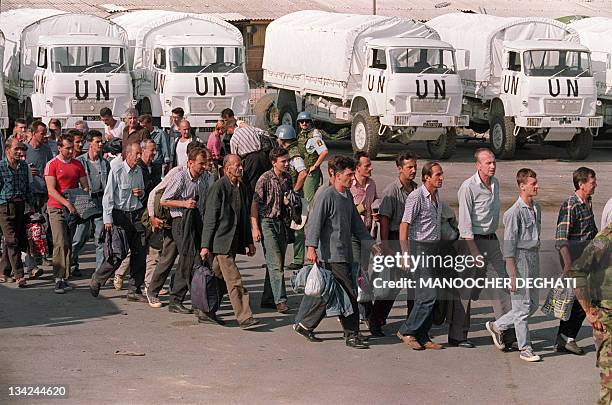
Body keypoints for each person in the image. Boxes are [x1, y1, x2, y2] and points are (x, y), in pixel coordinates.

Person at [296, 156, 372, 349]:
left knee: (330, 293)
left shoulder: (346, 197)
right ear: (337, 176)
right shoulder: (326, 195)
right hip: (330, 255)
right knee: (348, 292)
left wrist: (371, 244)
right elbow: (315, 223)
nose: (352, 178)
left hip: (345, 253)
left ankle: (305, 325)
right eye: (348, 175)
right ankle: (352, 334)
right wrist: (311, 248)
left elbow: (357, 224)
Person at [457, 148, 513, 349]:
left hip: (492, 240)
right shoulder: (468, 187)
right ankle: (458, 335)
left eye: (494, 162)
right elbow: (464, 225)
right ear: (478, 165)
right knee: (466, 289)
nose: (492, 166)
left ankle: (505, 332)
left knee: (501, 286)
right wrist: (474, 252)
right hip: (472, 242)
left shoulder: (495, 183)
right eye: (488, 163)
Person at [485, 168, 542, 362]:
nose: (537, 186)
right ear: (522, 186)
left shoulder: (537, 208)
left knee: (532, 304)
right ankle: (525, 348)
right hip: (519, 260)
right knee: (522, 306)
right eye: (533, 184)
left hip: (533, 258)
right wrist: (513, 275)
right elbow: (508, 248)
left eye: (536, 183)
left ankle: (498, 325)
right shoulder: (513, 213)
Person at [200, 154, 260, 329]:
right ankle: (245, 317)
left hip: (233, 242)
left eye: (241, 165)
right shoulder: (218, 188)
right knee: (234, 280)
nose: (240, 168)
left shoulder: (241, 187)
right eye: (237, 165)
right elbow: (210, 218)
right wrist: (205, 245)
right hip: (221, 242)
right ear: (227, 169)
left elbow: (243, 217)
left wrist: (249, 242)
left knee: (219, 280)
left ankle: (205, 310)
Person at [89, 142, 147, 302]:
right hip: (119, 215)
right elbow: (108, 196)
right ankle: (98, 279)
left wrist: (140, 193)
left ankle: (135, 289)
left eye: (140, 153)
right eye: (137, 154)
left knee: (140, 252)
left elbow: (141, 192)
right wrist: (108, 219)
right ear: (128, 154)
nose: (139, 157)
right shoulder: (117, 169)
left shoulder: (139, 171)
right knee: (118, 254)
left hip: (135, 214)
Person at [368, 152, 418, 336]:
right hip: (395, 240)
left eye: (414, 166)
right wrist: (386, 245)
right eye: (409, 167)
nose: (413, 170)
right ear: (400, 169)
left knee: (414, 284)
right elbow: (385, 220)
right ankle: (376, 320)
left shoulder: (415, 189)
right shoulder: (392, 191)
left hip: (412, 241)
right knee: (391, 285)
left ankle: (413, 323)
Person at [396, 162, 445, 351]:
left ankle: (423, 335)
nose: (441, 178)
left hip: (433, 250)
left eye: (441, 174)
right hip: (419, 249)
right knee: (428, 295)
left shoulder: (436, 196)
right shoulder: (416, 197)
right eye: (437, 175)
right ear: (426, 177)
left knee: (425, 296)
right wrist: (405, 254)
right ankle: (407, 330)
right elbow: (404, 225)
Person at [156, 146, 209, 315]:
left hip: (196, 220)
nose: (204, 166)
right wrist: (184, 203)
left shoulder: (204, 178)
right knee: (188, 258)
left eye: (205, 163)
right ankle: (176, 299)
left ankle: (188, 294)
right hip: (180, 221)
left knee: (194, 259)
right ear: (191, 163)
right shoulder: (180, 177)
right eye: (201, 164)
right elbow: (164, 200)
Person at [554, 166, 599, 355]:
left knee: (580, 301)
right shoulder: (570, 205)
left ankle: (565, 338)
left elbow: (592, 231)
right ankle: (566, 338)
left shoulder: (587, 201)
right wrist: (568, 265)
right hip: (574, 261)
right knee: (580, 301)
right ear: (581, 184)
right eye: (592, 181)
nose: (595, 184)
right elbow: (561, 239)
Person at [568, 223, 612, 405]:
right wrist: (588, 310)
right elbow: (577, 271)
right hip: (607, 318)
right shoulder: (603, 241)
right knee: (610, 381)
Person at [44, 133, 88, 294]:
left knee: (68, 242)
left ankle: (65, 276)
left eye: (72, 148)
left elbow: (85, 185)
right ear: (59, 148)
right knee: (60, 242)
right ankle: (58, 278)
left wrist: (81, 200)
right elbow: (51, 190)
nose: (70, 151)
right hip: (56, 207)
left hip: (73, 209)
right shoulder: (52, 164)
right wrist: (67, 203)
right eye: (67, 148)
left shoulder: (77, 164)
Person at [251, 147, 293, 313]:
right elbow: (254, 204)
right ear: (273, 162)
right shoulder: (265, 179)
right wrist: (255, 228)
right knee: (276, 263)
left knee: (276, 262)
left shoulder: (287, 178)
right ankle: (280, 300)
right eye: (283, 161)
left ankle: (268, 298)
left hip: (282, 223)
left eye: (287, 160)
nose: (287, 164)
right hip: (267, 222)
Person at [71, 130, 109, 276]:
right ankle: (71, 263)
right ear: (89, 143)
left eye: (101, 142)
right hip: (84, 200)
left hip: (100, 199)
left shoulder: (105, 163)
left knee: (100, 237)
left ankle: (99, 272)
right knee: (80, 236)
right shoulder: (80, 161)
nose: (100, 144)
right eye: (97, 142)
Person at [0, 138, 33, 287]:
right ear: (7, 150)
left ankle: (3, 271)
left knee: (14, 241)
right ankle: (19, 275)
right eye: (16, 149)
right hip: (4, 207)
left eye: (21, 149)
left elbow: (27, 187)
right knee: (12, 240)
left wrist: (32, 205)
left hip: (20, 206)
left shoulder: (23, 166)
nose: (20, 152)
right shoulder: (1, 167)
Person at [350, 151, 378, 323]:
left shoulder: (372, 184)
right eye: (366, 165)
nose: (370, 168)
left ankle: (355, 309)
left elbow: (374, 200)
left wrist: (376, 211)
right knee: (359, 272)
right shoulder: (349, 184)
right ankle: (361, 312)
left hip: (367, 233)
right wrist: (358, 209)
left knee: (362, 272)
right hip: (352, 235)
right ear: (357, 168)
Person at [276, 125, 308, 271]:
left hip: (294, 197)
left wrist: (294, 191)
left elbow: (303, 173)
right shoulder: (290, 152)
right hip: (289, 195)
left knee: (298, 228)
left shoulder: (294, 155)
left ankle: (298, 260)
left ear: (283, 139)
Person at [229, 120, 272, 198]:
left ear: (230, 128)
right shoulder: (250, 129)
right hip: (262, 155)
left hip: (250, 160)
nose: (228, 133)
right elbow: (264, 133)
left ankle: (253, 204)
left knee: (252, 183)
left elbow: (235, 156)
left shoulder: (234, 138)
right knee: (265, 180)